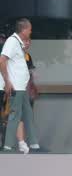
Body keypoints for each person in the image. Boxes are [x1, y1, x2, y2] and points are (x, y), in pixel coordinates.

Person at [1, 19, 37, 154]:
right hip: (10, 88)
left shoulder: (25, 55)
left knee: (19, 115)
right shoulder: (11, 43)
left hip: (21, 88)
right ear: (23, 31)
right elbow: (2, 61)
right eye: (30, 30)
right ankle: (9, 145)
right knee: (14, 115)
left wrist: (32, 86)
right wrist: (7, 82)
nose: (28, 43)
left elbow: (29, 73)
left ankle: (22, 143)